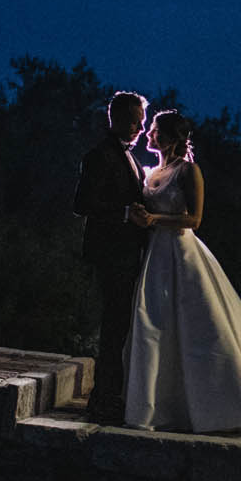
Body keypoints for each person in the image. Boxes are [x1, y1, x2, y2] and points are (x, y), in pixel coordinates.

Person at [124, 110, 241, 448]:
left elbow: (193, 219)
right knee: (155, 325)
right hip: (155, 255)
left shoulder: (188, 171)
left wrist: (153, 219)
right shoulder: (152, 172)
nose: (148, 133)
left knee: (199, 328)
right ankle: (160, 406)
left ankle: (225, 407)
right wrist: (139, 217)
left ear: (167, 136)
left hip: (181, 253)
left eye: (153, 129)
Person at [73, 91, 148, 423]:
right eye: (134, 121)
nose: (140, 128)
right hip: (110, 255)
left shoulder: (129, 156)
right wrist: (125, 212)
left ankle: (111, 394)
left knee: (120, 327)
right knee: (113, 327)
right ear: (115, 118)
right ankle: (103, 398)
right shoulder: (99, 156)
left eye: (142, 121)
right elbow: (82, 204)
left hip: (128, 254)